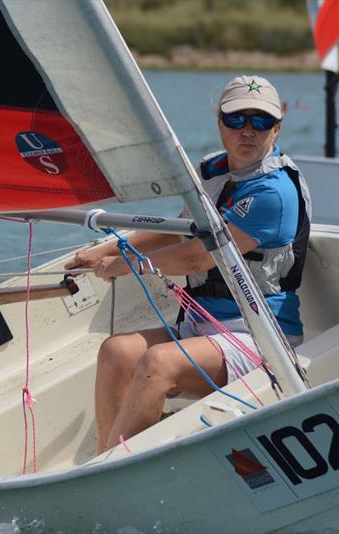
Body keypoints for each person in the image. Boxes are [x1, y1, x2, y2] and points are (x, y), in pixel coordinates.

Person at [65, 75, 311, 454]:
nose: (248, 132)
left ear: (276, 128)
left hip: (258, 338)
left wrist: (124, 266)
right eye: (236, 120)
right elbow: (175, 233)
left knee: (158, 363)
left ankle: (117, 468)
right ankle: (105, 458)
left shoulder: (274, 193)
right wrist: (105, 252)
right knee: (116, 352)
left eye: (260, 122)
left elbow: (197, 255)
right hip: (201, 327)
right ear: (219, 122)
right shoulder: (211, 173)